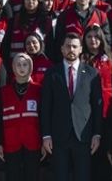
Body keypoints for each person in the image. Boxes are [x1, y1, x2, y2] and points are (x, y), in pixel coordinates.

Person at [40, 34, 102, 181]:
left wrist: (97, 134)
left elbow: (97, 106)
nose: (71, 49)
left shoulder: (92, 74)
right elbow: (46, 105)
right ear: (62, 49)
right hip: (58, 136)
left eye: (74, 46)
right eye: (68, 46)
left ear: (80, 49)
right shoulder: (51, 73)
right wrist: (46, 135)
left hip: (83, 135)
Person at [0, 53, 43, 181]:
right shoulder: (3, 92)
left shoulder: (39, 90)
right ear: (13, 68)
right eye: (18, 64)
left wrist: (43, 141)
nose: (21, 67)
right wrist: (0, 143)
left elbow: (44, 117)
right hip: (10, 142)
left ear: (30, 67)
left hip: (33, 142)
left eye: (25, 64)